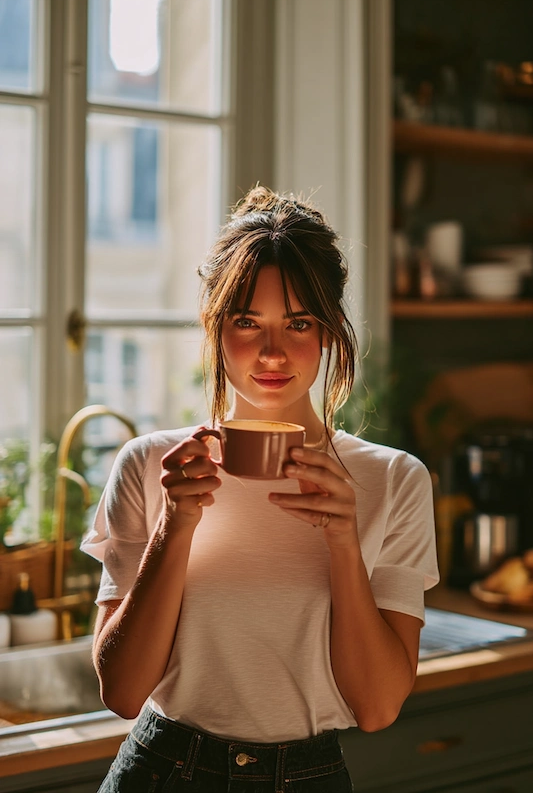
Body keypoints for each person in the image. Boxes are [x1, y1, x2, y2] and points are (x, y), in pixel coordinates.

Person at [82, 185, 439, 792]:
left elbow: (377, 708)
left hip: (308, 776)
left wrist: (343, 544)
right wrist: (175, 526)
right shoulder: (151, 465)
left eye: (298, 322)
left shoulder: (393, 479)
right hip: (164, 770)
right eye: (247, 322)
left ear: (328, 332)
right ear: (216, 328)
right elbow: (121, 692)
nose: (272, 352)